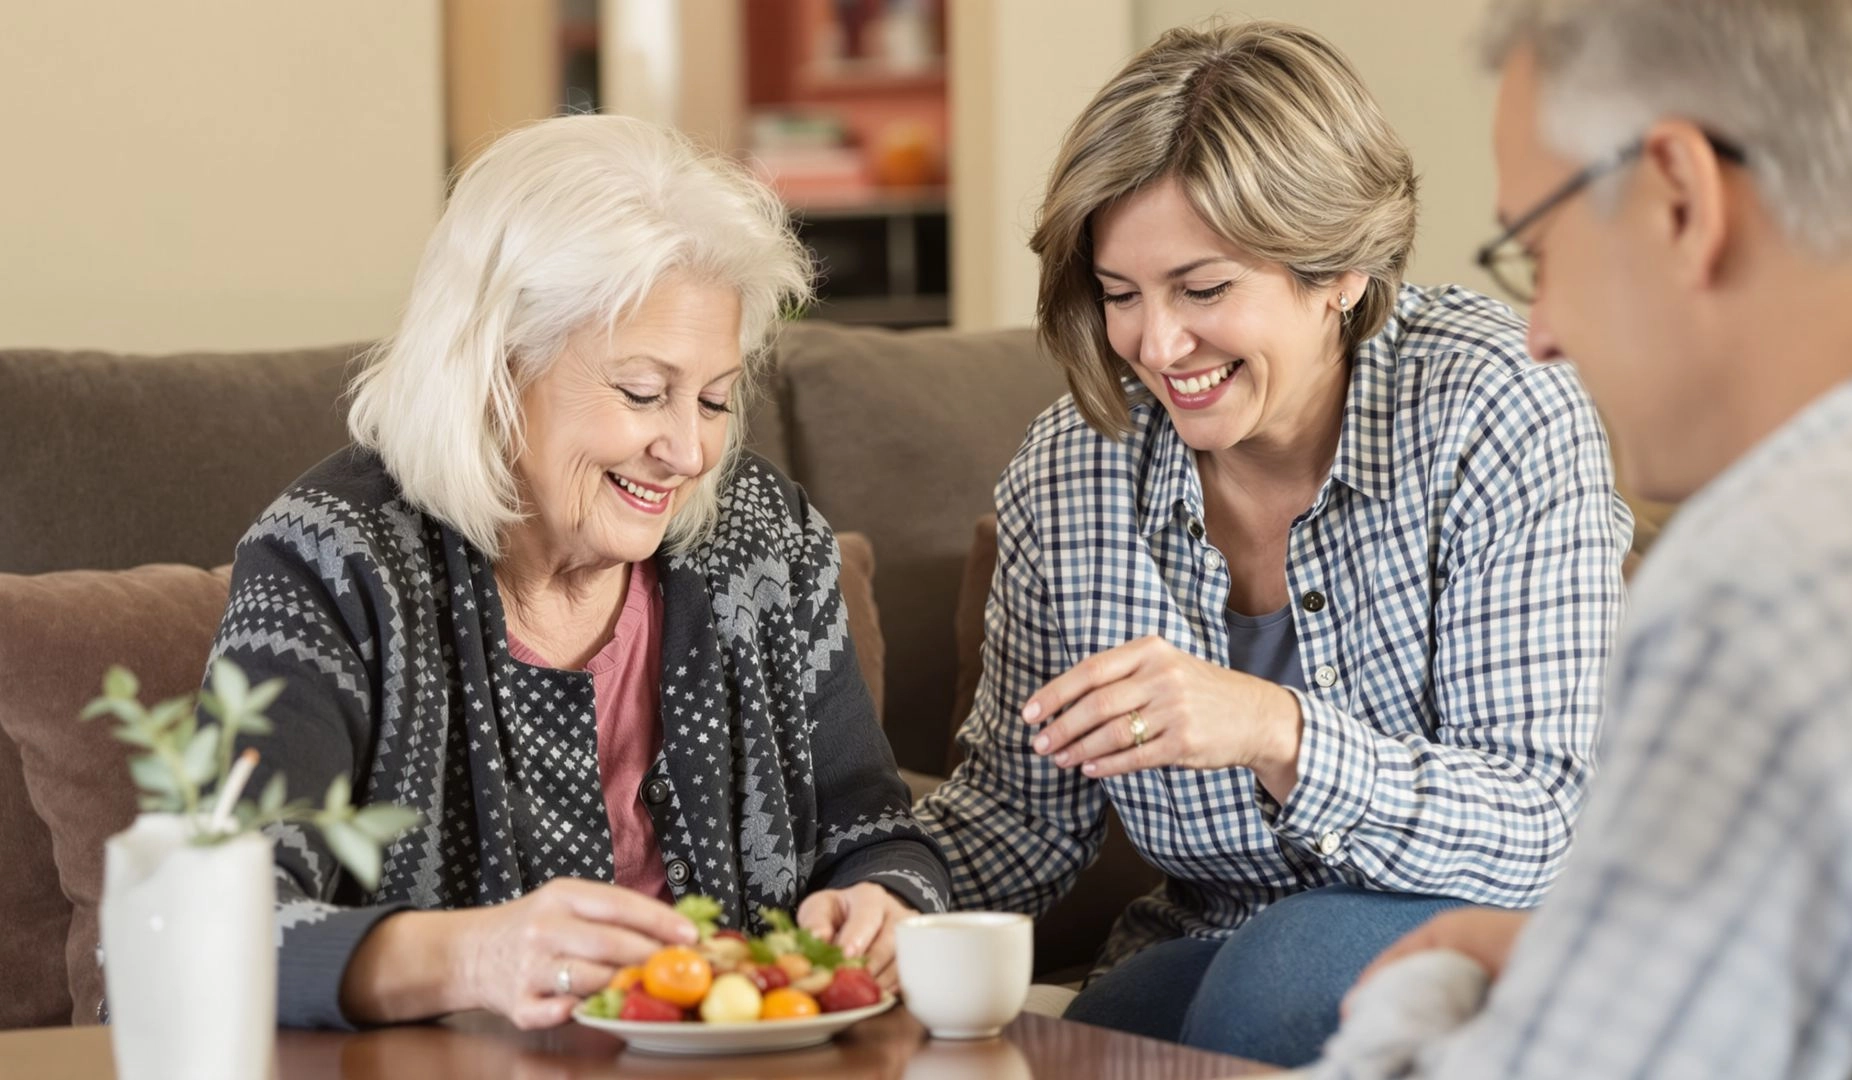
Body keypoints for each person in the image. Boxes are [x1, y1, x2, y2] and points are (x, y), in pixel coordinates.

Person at [913, 20, 1632, 1068]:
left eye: (1203, 290)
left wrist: (1277, 731)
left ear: (1339, 269)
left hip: (1509, 941)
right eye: (1121, 295)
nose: (1156, 346)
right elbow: (1020, 819)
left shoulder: (1494, 407)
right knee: (1119, 1021)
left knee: (1283, 972)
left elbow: (1542, 829)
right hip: (1211, 944)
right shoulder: (1075, 470)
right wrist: (855, 900)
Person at [206, 114, 949, 1030]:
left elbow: (876, 831)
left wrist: (890, 902)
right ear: (494, 366)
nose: (687, 449)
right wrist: (477, 956)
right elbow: (205, 926)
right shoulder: (328, 557)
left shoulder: (769, 542)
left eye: (715, 398)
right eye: (643, 392)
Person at [1335, 1, 1852, 1075]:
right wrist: (1589, 959)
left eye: (1540, 248)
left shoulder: (1770, 579)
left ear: (1682, 198)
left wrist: (1432, 986)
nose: (1541, 329)